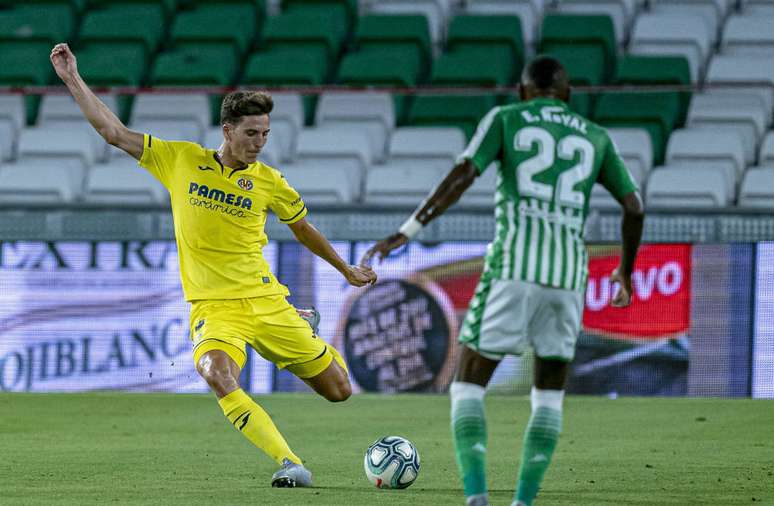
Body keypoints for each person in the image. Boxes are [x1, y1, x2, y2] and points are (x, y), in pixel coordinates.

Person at [50, 42, 377, 488]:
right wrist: (72, 79)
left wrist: (345, 270)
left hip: (266, 301)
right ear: (227, 129)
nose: (259, 143)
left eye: (265, 134)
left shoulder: (269, 183)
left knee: (339, 391)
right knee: (216, 373)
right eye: (251, 133)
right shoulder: (181, 159)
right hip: (214, 308)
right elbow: (113, 131)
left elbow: (303, 229)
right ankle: (289, 462)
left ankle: (305, 327)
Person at [361, 56, 645, 506]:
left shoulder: (506, 119)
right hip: (569, 276)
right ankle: (523, 502)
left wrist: (407, 231)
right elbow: (634, 208)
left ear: (522, 91)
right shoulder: (595, 136)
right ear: (568, 95)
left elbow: (463, 175)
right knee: (549, 396)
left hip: (514, 266)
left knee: (468, 385)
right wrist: (625, 271)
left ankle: (477, 496)